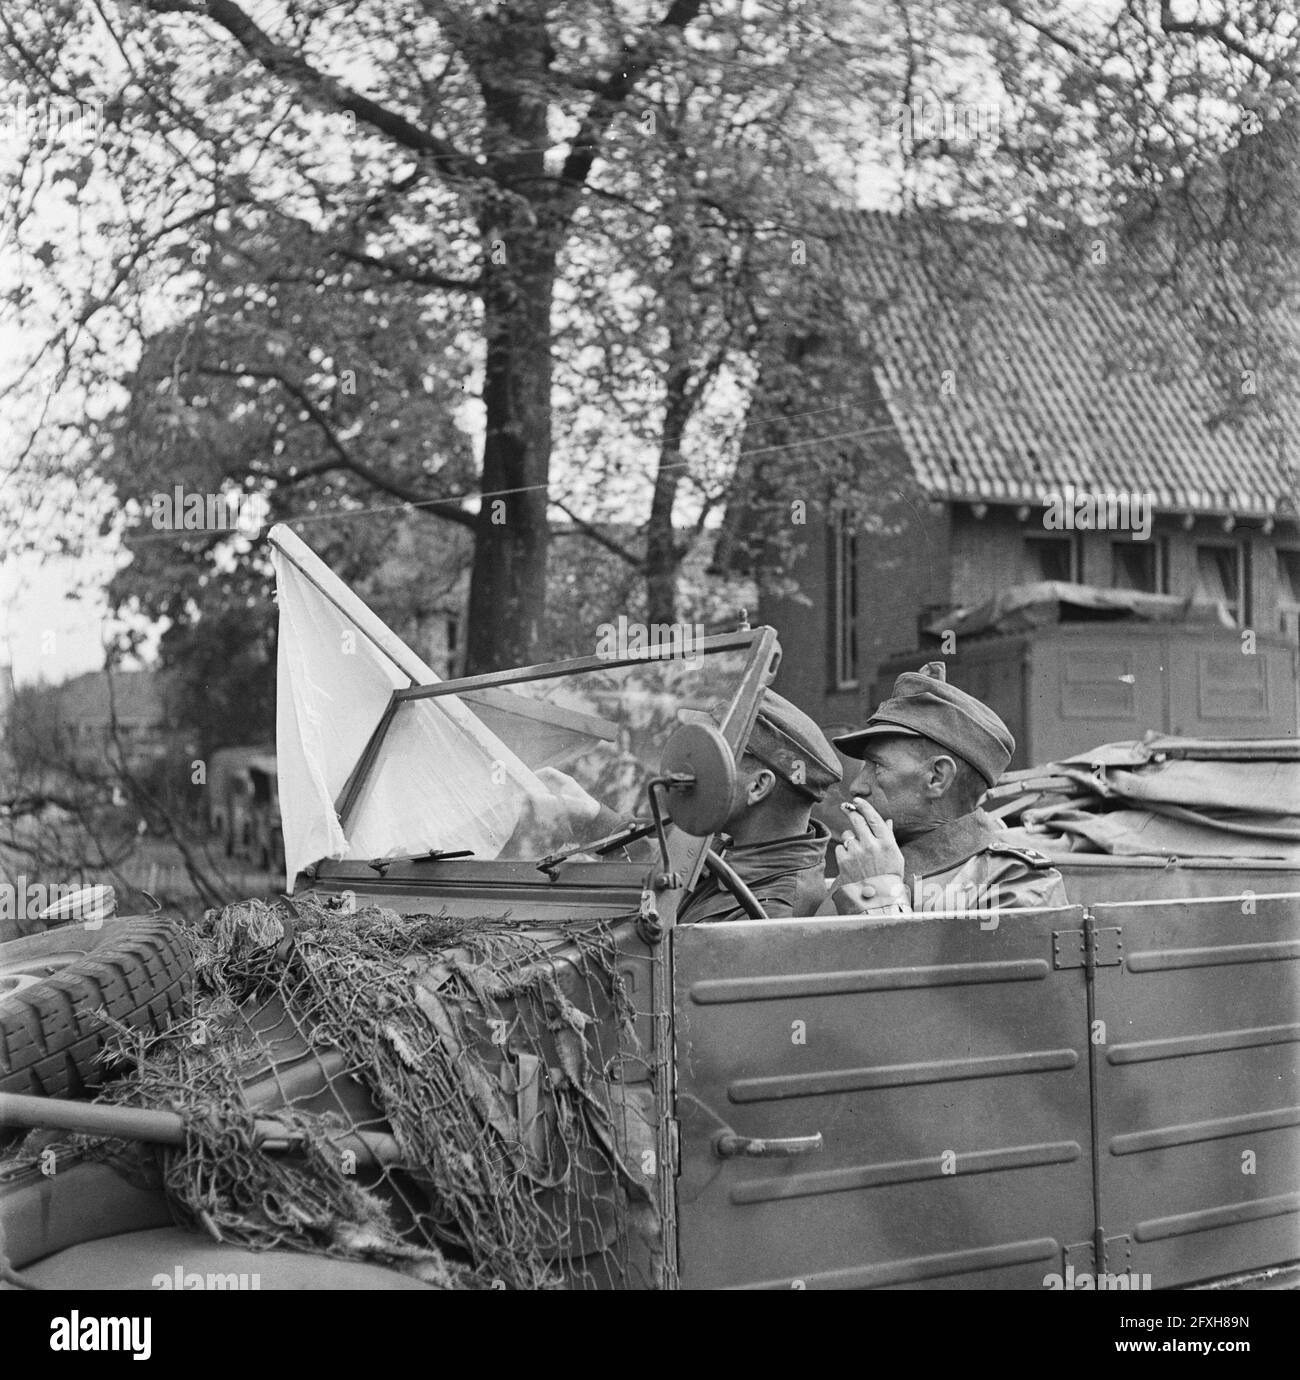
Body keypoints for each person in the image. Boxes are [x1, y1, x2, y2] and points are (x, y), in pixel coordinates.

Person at [534, 689, 843, 923]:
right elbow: (670, 865)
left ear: (758, 786)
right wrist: (593, 817)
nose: (688, 769)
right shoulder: (739, 850)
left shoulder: (768, 914)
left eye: (712, 755)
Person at [828, 662, 1066, 919]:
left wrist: (876, 893)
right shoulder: (865, 863)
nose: (857, 786)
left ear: (937, 777)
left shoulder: (1017, 883)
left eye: (877, 767)